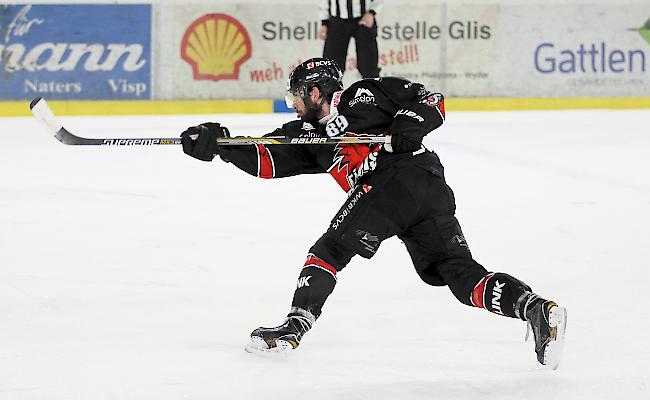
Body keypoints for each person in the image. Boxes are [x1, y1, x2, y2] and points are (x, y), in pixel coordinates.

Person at [180, 58, 568, 368]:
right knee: (457, 273)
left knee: (329, 250)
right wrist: (220, 145)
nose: (293, 105)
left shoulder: (367, 94)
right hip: (421, 194)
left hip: (404, 175)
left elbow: (431, 100)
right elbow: (267, 159)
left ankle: (293, 328)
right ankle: (536, 309)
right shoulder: (310, 136)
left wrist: (407, 123)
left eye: (296, 97)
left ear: (316, 91)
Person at [319, 0, 382, 78]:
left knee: (368, 66)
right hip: (336, 21)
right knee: (331, 68)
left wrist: (372, 12)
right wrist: (324, 22)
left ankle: (371, 89)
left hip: (363, 18)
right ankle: (331, 89)